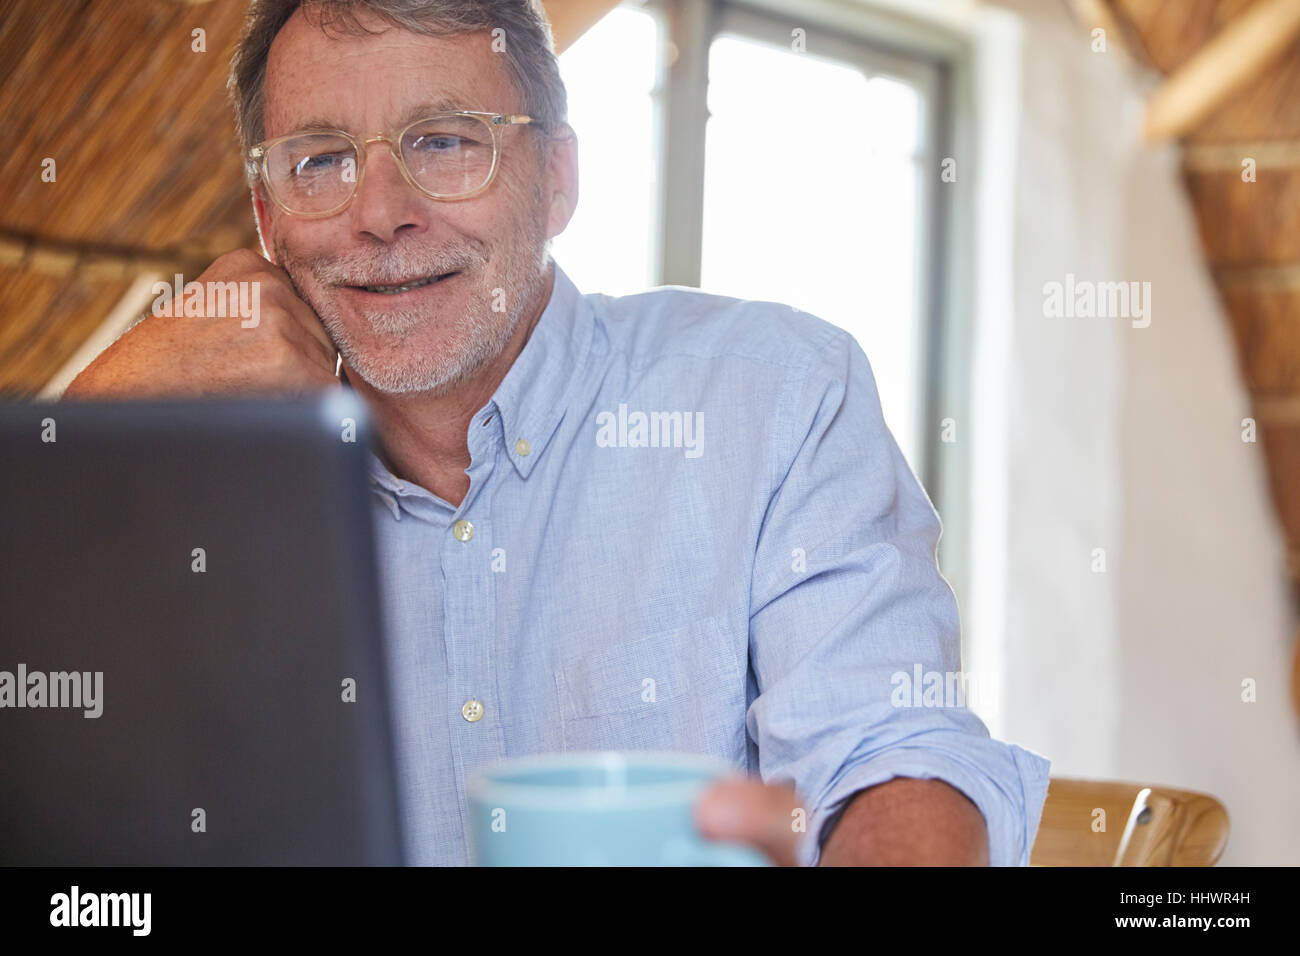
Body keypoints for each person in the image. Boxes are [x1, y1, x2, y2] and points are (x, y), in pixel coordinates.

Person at [65, 0, 1050, 866]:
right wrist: (92, 412)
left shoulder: (779, 397)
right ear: (266, 217)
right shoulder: (176, 495)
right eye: (319, 160)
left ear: (560, 176)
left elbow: (888, 756)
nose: (379, 212)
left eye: (445, 140)